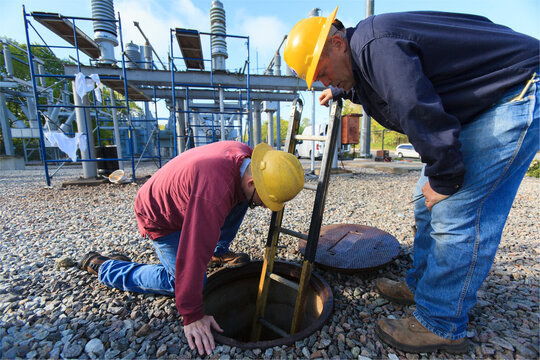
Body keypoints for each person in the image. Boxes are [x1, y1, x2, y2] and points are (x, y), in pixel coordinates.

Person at [284, 7, 539, 354]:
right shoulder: (365, 55)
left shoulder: (377, 45)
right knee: (425, 202)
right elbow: (375, 87)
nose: (324, 83)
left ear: (337, 43)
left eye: (323, 73)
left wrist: (446, 180)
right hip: (481, 102)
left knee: (455, 212)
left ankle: (441, 322)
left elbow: (415, 106)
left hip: (515, 89)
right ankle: (422, 286)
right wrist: (342, 92)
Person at [78, 141, 304, 355]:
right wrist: (192, 314)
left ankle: (216, 249)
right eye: (263, 200)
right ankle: (107, 268)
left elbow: (228, 198)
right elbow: (192, 254)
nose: (265, 206)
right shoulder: (212, 198)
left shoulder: (247, 159)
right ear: (253, 181)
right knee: (179, 281)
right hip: (159, 215)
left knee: (244, 200)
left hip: (192, 196)